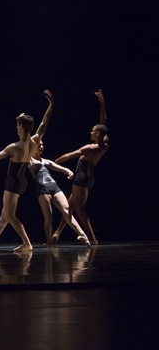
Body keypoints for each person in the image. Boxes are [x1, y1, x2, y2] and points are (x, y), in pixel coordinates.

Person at [0, 95, 45, 253]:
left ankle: (27, 243)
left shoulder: (14, 146)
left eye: (17, 124)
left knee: (10, 215)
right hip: (22, 182)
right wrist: (51, 106)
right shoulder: (35, 141)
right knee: (5, 212)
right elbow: (44, 124)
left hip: (12, 182)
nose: (16, 127)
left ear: (20, 127)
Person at [51, 90, 108, 245]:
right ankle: (57, 233)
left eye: (92, 131)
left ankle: (92, 238)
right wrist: (102, 104)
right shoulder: (104, 143)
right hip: (89, 175)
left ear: (96, 134)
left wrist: (53, 163)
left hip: (82, 175)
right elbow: (103, 124)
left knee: (79, 208)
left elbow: (69, 156)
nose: (90, 132)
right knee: (69, 206)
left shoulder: (90, 148)